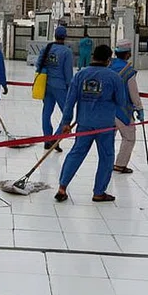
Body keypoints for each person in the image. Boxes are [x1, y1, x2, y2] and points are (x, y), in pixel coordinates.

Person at [54, 44, 127, 203]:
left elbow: (69, 101)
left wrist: (66, 122)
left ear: (93, 56)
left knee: (76, 153)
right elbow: (121, 102)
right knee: (106, 157)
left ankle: (62, 187)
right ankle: (99, 192)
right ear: (109, 60)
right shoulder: (114, 77)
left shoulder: (80, 75)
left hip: (84, 124)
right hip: (105, 125)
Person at [110, 39, 144, 174]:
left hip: (107, 109)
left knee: (109, 137)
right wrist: (139, 108)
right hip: (122, 110)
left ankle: (107, 162)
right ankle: (120, 164)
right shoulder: (128, 71)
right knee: (129, 137)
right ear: (127, 54)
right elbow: (133, 92)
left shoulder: (109, 66)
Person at [37, 26, 73, 152]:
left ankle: (47, 139)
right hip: (60, 86)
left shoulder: (47, 48)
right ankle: (55, 138)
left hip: (46, 84)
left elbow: (38, 65)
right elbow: (68, 73)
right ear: (65, 37)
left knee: (46, 112)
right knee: (67, 114)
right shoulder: (66, 52)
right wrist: (70, 88)